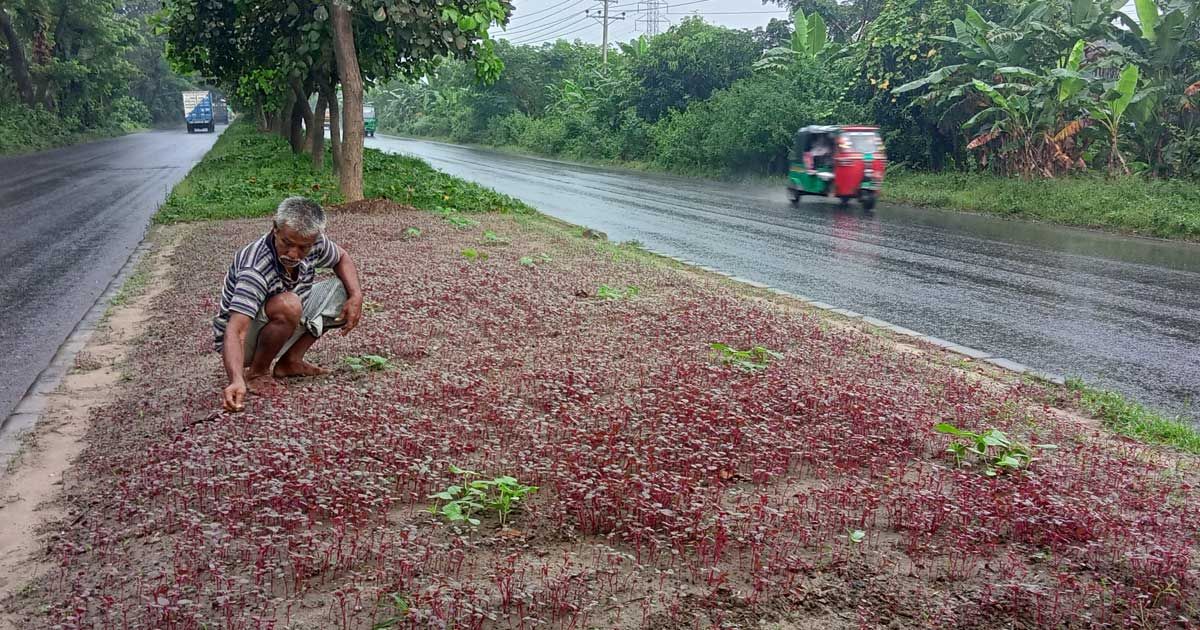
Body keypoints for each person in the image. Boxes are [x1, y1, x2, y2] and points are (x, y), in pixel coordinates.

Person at [213, 197, 363, 412]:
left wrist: (356, 296)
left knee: (343, 290)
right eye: (287, 243)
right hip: (244, 342)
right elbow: (236, 330)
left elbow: (342, 258)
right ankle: (257, 372)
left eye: (303, 247)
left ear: (314, 239)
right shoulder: (255, 268)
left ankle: (290, 361)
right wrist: (235, 380)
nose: (293, 254)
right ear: (275, 229)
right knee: (289, 304)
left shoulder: (316, 243)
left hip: (284, 316)